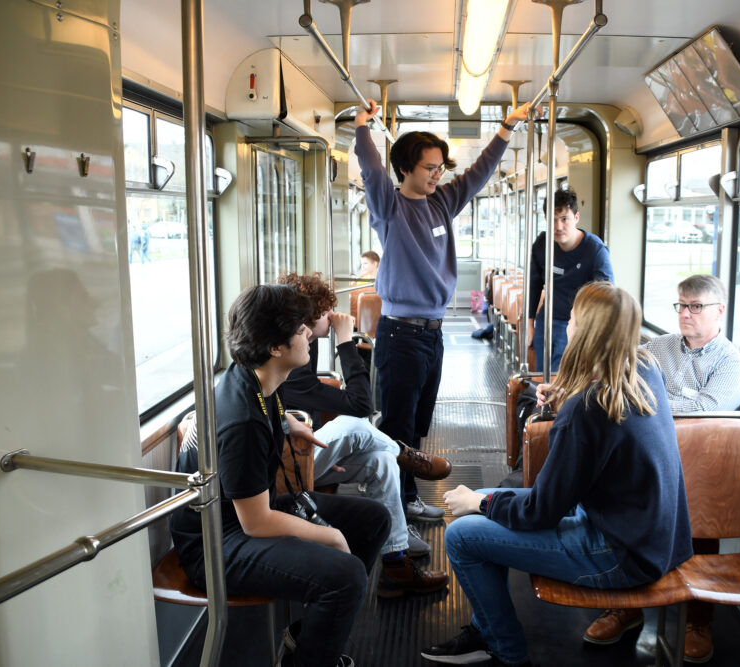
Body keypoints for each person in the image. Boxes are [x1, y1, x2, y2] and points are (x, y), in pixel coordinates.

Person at [420, 283, 693, 667]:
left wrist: (480, 502)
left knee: (462, 533)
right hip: (654, 540)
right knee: (484, 507)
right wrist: (567, 398)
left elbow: (540, 511)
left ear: (585, 332)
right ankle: (486, 628)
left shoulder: (587, 410)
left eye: (574, 320)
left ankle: (503, 648)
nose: (568, 325)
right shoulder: (643, 369)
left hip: (620, 553)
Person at [170, 284, 390, 667]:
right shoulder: (242, 422)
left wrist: (289, 424)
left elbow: (264, 409)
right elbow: (256, 523)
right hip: (217, 545)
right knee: (347, 576)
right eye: (300, 328)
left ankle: (308, 639)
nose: (308, 333)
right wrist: (330, 535)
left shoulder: (255, 379)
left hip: (238, 520)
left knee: (374, 520)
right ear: (275, 347)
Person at [354, 97, 532, 522]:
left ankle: (404, 497)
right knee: (398, 427)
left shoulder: (442, 203)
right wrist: (363, 127)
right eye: (429, 168)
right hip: (400, 334)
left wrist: (506, 128)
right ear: (405, 171)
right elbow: (370, 167)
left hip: (432, 335)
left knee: (417, 423)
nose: (438, 175)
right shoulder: (389, 206)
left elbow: (478, 173)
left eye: (440, 168)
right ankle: (396, 508)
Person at [581, 273, 740, 663]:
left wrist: (657, 397)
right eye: (681, 305)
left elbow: (708, 410)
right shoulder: (660, 346)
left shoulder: (731, 364)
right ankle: (627, 606)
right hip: (650, 461)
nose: (685, 314)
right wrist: (671, 397)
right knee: (618, 503)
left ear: (719, 310)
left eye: (695, 307)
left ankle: (698, 620)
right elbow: (623, 378)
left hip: (702, 469)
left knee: (705, 518)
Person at [276, 272, 451, 598]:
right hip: (282, 467)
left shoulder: (304, 350)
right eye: (326, 311)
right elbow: (360, 405)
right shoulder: (292, 359)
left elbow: (307, 413)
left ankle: (396, 565)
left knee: (380, 461)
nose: (333, 315)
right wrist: (345, 341)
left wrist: (333, 453)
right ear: (307, 318)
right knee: (357, 426)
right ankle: (404, 452)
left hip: (302, 452)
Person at [528, 187, 614, 373]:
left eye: (564, 219)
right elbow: (533, 285)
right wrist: (529, 322)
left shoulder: (595, 251)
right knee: (541, 376)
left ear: (576, 217)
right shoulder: (543, 244)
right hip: (546, 321)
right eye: (553, 220)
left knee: (561, 378)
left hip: (577, 324)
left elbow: (606, 297)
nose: (558, 227)